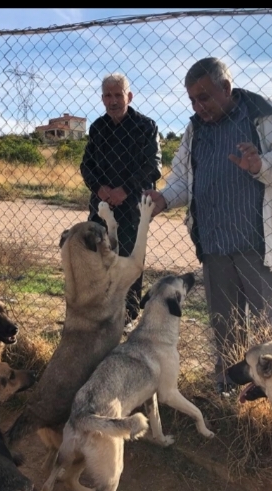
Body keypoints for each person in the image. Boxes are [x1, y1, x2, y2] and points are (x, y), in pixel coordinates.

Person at [144, 57, 272, 395]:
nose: (198, 107)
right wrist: (164, 198)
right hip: (214, 243)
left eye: (204, 97)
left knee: (269, 326)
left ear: (226, 88)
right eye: (192, 100)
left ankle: (271, 395)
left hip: (259, 243)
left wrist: (262, 164)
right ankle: (226, 388)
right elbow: (182, 178)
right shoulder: (195, 129)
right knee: (224, 323)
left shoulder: (263, 114)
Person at [81, 73, 162, 327]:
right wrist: (100, 189)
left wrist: (124, 190)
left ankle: (127, 319)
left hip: (132, 209)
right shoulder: (98, 127)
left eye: (118, 95)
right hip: (101, 207)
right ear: (102, 98)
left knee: (128, 263)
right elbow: (86, 166)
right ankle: (99, 316)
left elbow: (153, 166)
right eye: (108, 95)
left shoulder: (145, 126)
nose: (113, 100)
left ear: (129, 96)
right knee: (97, 260)